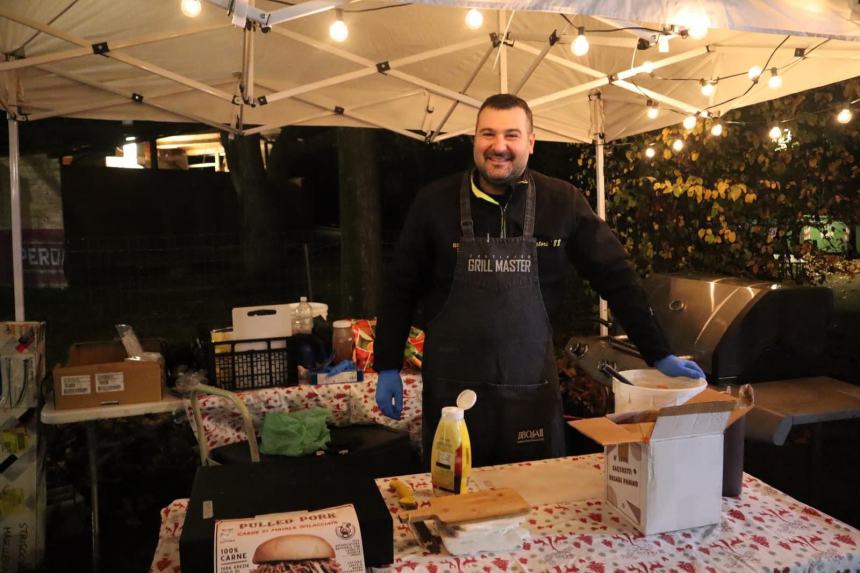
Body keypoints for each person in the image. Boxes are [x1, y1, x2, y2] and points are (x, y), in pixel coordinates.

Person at [373, 93, 705, 467]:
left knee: (536, 496)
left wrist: (658, 352)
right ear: (474, 141)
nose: (499, 146)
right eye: (488, 134)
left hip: (530, 391)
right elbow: (400, 286)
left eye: (512, 135)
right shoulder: (434, 203)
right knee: (453, 498)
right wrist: (386, 363)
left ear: (531, 142)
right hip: (453, 394)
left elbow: (617, 278)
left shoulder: (561, 202)